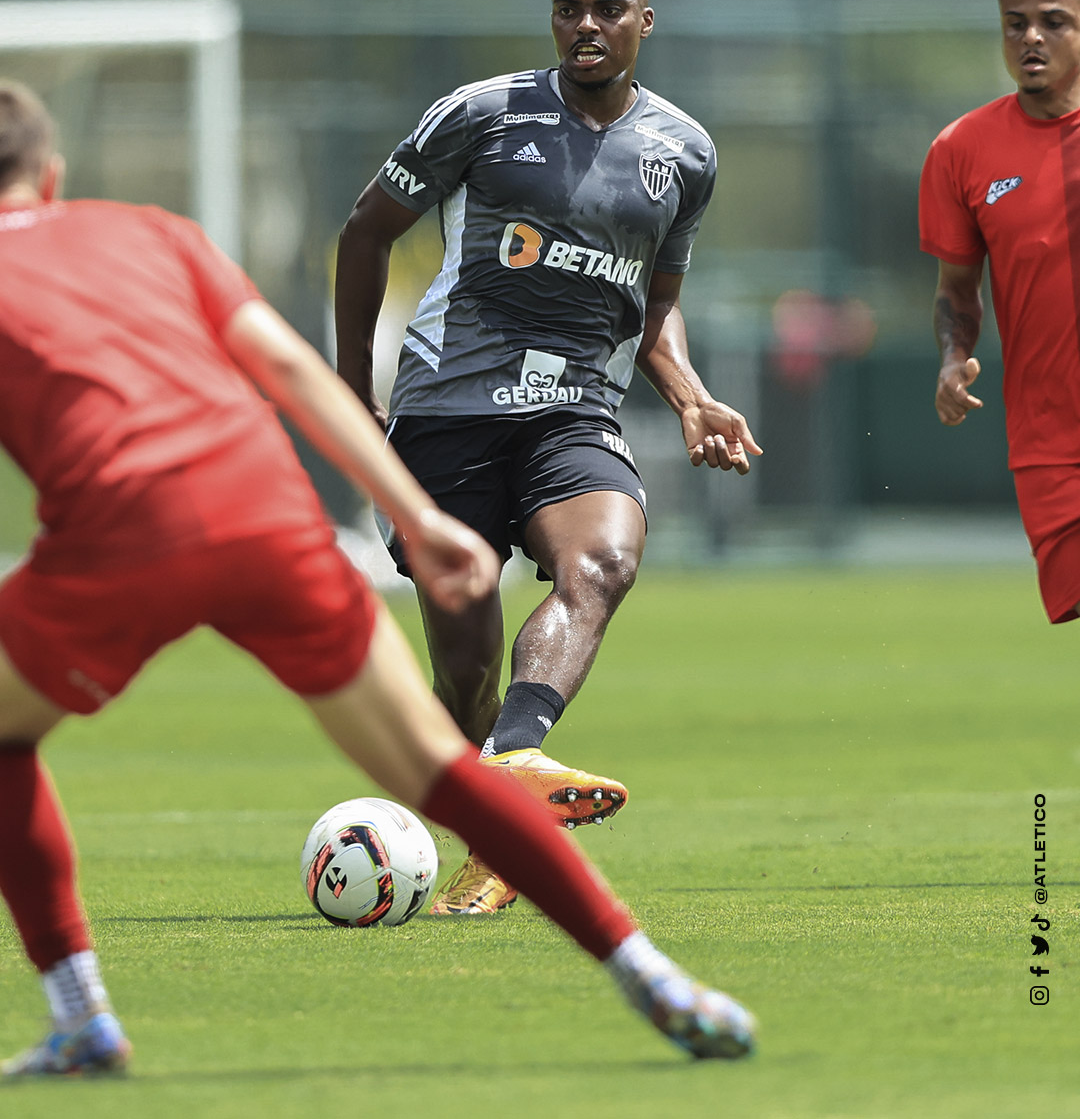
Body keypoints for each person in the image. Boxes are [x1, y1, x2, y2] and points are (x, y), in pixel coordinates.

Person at [0, 80, 756, 1078]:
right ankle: (656, 977)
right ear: (52, 174)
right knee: (444, 771)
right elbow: (292, 373)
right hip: (266, 509)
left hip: (118, 533)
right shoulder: (153, 231)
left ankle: (83, 1017)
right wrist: (409, 511)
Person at [335, 0, 762, 916]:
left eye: (610, 8)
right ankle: (496, 799)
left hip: (573, 408)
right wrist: (353, 392)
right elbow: (366, 233)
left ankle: (518, 762)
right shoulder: (482, 114)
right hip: (445, 415)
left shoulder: (683, 152)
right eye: (570, 7)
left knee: (603, 562)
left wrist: (690, 394)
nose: (587, 25)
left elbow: (654, 305)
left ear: (645, 22)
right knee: (467, 643)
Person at [920, 0, 1080, 625]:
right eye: (1015, 24)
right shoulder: (961, 149)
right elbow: (957, 289)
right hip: (1050, 441)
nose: (1031, 38)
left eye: (1054, 22)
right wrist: (954, 358)